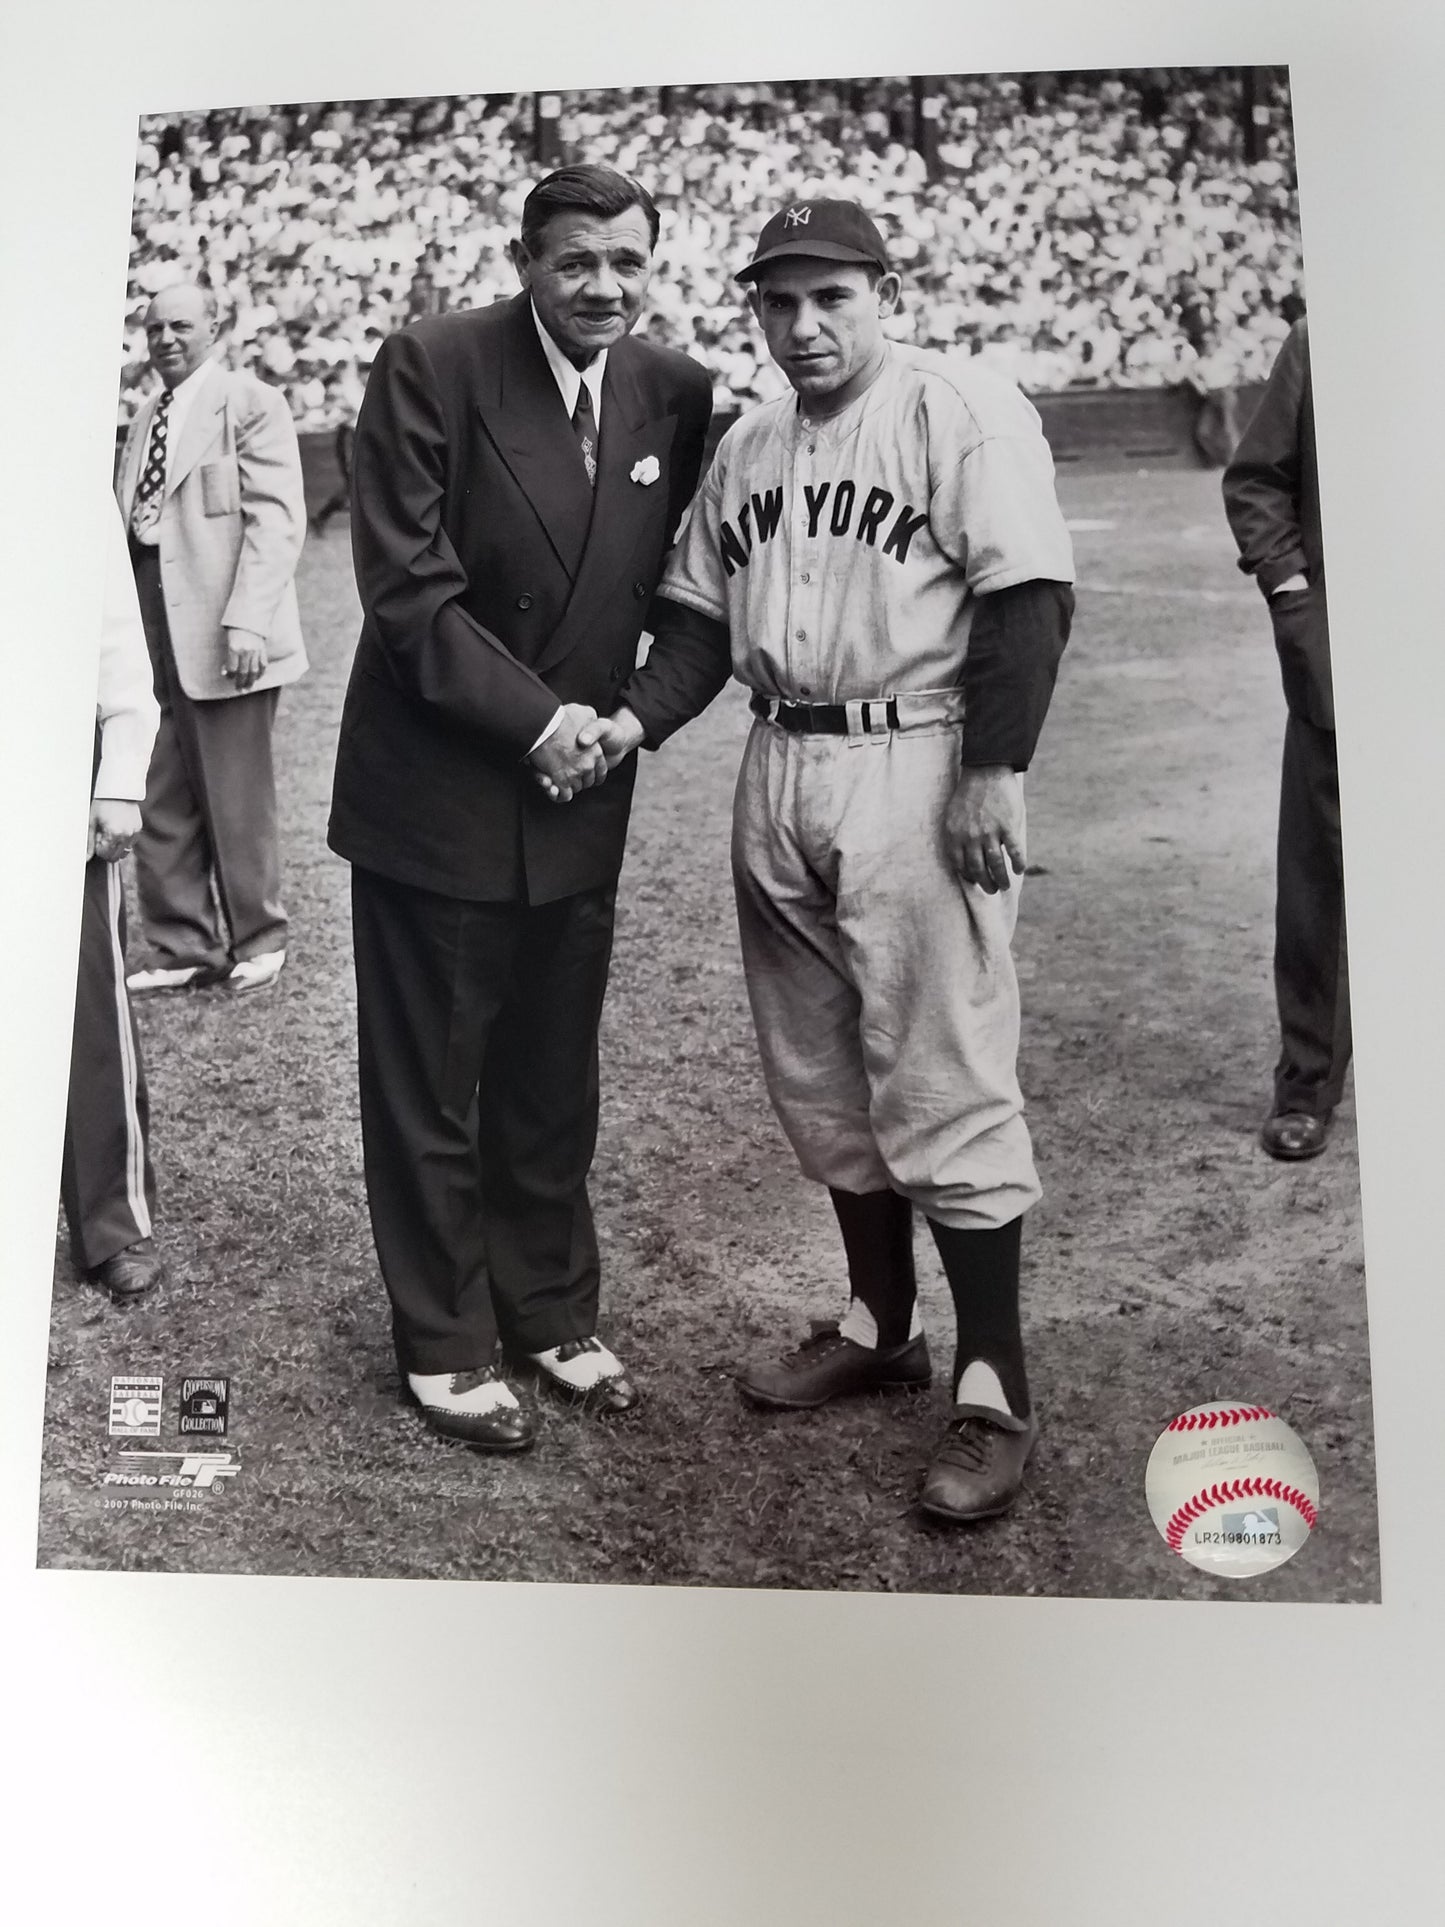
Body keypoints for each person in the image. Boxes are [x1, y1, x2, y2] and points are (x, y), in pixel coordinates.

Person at [576, 198, 1075, 1522]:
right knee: (819, 1070)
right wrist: (629, 722)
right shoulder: (747, 446)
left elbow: (1028, 595)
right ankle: (879, 1321)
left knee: (942, 1068)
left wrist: (993, 771)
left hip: (916, 756)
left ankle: (992, 1385)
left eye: (829, 297)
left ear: (882, 289)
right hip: (778, 757)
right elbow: (692, 622)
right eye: (777, 301)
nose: (801, 325)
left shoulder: (954, 409)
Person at [329, 165, 712, 1452]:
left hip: (582, 790)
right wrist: (541, 722)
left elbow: (686, 601)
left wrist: (627, 720)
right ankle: (445, 1341)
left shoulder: (676, 391)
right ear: (524, 260)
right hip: (439, 795)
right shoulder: (431, 363)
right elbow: (408, 597)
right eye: (575, 262)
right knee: (434, 1079)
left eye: (628, 263)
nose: (604, 286)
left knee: (551, 1076)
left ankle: (548, 1308)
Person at [116, 282, 308, 997]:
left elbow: (276, 517)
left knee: (235, 789)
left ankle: (259, 935)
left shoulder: (249, 400)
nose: (164, 338)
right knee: (157, 782)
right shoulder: (145, 416)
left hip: (224, 621)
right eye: (154, 327)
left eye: (180, 325)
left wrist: (248, 617)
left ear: (215, 327)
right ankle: (180, 943)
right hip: (148, 611)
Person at [1222, 318, 1347, 1159]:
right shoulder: (1326, 332)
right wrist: (1293, 594)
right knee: (1321, 873)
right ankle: (1305, 1077)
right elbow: (1257, 477)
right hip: (1347, 644)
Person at [62, 501, 164, 1299]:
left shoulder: (47, 442)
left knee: (84, 990)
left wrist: (121, 771)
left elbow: (108, 618)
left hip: (46, 739)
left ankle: (112, 1220)